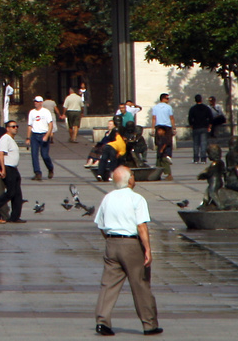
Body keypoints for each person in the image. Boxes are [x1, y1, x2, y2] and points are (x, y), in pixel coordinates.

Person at [93, 166, 160, 336]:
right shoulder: (137, 199)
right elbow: (141, 226)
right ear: (130, 179)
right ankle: (149, 323)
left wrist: (109, 240)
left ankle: (102, 322)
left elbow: (100, 225)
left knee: (108, 285)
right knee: (140, 284)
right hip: (131, 244)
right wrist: (147, 250)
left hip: (112, 243)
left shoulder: (107, 198)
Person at [0, 119, 23, 222]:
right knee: (10, 193)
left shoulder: (11, 139)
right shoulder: (5, 139)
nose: (15, 128)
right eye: (13, 126)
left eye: (16, 126)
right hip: (8, 168)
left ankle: (15, 217)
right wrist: (3, 169)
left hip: (14, 168)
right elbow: (1, 154)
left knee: (17, 195)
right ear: (7, 128)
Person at [27, 97, 55, 180]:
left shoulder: (46, 112)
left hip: (44, 134)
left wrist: (47, 135)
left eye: (37, 102)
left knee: (45, 155)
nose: (36, 103)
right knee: (34, 155)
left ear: (41, 102)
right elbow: (29, 126)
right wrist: (28, 137)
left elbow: (50, 125)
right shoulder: (32, 112)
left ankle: (50, 168)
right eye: (35, 101)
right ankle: (37, 172)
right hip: (35, 135)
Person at [149, 93, 176, 166]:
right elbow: (171, 118)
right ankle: (168, 155)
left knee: (159, 141)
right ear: (163, 99)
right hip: (167, 126)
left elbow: (154, 118)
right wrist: (174, 127)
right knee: (168, 141)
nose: (168, 100)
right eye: (167, 98)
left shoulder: (155, 107)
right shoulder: (168, 107)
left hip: (158, 126)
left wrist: (153, 128)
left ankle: (160, 156)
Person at [188, 95, 213, 164]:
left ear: (195, 100)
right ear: (201, 100)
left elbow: (190, 119)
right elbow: (210, 118)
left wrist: (191, 125)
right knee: (203, 143)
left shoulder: (192, 109)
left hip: (196, 127)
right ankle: (203, 158)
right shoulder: (206, 108)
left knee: (196, 143)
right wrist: (209, 126)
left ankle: (196, 158)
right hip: (204, 127)